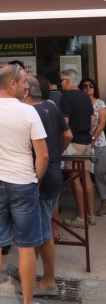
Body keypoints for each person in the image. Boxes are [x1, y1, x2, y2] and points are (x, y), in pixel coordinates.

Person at [0, 64, 48, 304]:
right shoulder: (28, 112)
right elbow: (42, 155)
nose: (26, 86)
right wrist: (35, 180)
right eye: (24, 82)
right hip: (24, 181)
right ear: (12, 83)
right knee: (26, 245)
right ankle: (27, 301)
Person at [7, 76, 72, 297]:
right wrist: (56, 155)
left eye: (18, 86)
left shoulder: (29, 113)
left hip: (39, 176)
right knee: (38, 226)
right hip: (53, 172)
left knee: (43, 232)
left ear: (26, 91)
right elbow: (68, 135)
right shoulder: (52, 107)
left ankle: (48, 281)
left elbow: (35, 153)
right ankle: (25, 269)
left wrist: (37, 175)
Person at [60, 68, 96, 227]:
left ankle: (81, 218)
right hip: (86, 141)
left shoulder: (66, 97)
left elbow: (65, 123)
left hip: (74, 143)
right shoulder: (85, 96)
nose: (61, 83)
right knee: (86, 176)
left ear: (67, 81)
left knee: (75, 178)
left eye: (62, 80)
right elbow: (93, 121)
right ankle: (91, 215)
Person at [80, 78, 106, 217]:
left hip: (98, 143)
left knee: (100, 173)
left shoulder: (100, 103)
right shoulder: (81, 103)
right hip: (84, 143)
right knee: (86, 175)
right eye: (85, 86)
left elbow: (102, 123)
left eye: (90, 86)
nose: (88, 88)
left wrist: (92, 139)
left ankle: (104, 202)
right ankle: (86, 206)